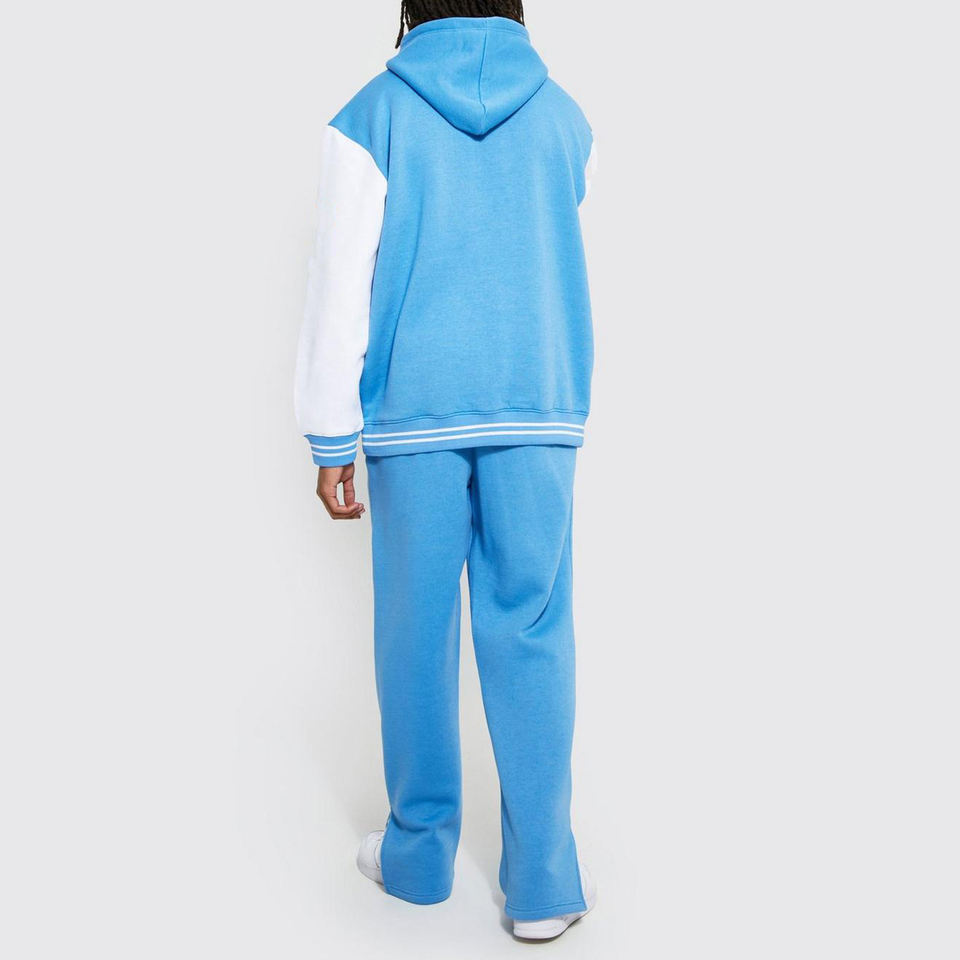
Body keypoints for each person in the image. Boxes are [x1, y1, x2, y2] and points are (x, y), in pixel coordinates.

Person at [295, 1, 598, 941]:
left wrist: (330, 433)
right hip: (537, 406)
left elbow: (340, 280)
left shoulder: (373, 115)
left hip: (414, 414)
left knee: (414, 632)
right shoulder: (564, 116)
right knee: (532, 630)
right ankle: (544, 879)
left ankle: (420, 855)